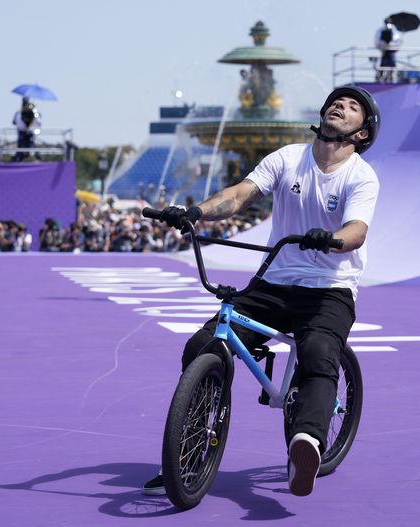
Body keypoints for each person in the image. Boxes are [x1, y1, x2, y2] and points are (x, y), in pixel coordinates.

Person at [142, 85, 381, 497]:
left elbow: (357, 230)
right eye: (336, 102)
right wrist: (195, 212)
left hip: (329, 289)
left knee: (318, 354)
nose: (339, 106)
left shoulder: (361, 175)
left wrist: (333, 239)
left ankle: (307, 444)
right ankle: (188, 452)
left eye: (352, 106)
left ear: (361, 132)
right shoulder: (288, 158)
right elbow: (239, 195)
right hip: (274, 283)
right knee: (202, 345)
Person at [12, 97, 42, 161]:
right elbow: (39, 121)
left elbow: (14, 122)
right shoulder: (32, 109)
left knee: (24, 145)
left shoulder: (20, 110)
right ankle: (28, 157)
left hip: (25, 131)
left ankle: (22, 158)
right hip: (28, 131)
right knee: (28, 145)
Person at [374, 17, 402, 83]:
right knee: (383, 65)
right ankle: (380, 78)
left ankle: (391, 78)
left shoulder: (395, 31)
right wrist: (383, 44)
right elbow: (377, 41)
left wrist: (392, 44)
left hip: (392, 51)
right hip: (384, 51)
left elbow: (398, 41)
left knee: (391, 66)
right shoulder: (381, 30)